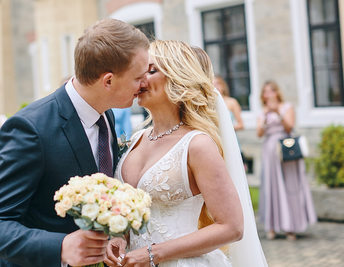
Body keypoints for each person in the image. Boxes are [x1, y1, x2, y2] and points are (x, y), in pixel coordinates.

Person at [0, 18, 149, 267]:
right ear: (108, 81)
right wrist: (61, 246)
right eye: (138, 77)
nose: (144, 84)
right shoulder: (29, 129)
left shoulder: (106, 114)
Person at [105, 41, 267, 267]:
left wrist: (153, 254)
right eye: (139, 72)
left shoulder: (197, 145)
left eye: (151, 71)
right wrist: (119, 237)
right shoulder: (135, 140)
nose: (140, 79)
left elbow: (232, 227)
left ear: (177, 78)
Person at [256, 80, 316, 241]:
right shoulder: (262, 111)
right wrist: (265, 117)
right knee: (272, 186)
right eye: (265, 92)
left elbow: (290, 127)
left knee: (290, 186)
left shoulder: (287, 107)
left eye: (271, 91)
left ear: (277, 92)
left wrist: (278, 113)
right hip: (269, 151)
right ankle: (272, 227)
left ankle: (291, 227)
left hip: (286, 149)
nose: (268, 94)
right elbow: (259, 133)